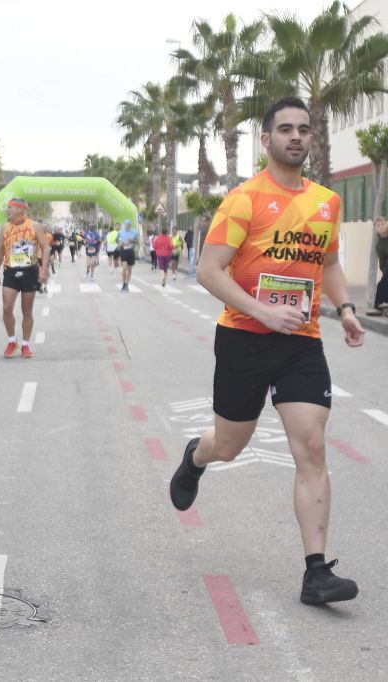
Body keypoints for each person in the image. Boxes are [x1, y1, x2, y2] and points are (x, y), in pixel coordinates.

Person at [169, 97, 365, 605]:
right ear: (267, 139)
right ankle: (197, 456)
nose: (296, 136)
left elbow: (328, 262)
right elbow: (210, 270)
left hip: (300, 342)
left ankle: (316, 572)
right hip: (245, 339)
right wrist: (261, 311)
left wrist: (344, 308)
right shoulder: (245, 200)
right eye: (285, 129)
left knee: (312, 446)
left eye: (303, 129)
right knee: (230, 445)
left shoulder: (327, 201)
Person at [0, 197, 51, 358]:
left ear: (20, 209)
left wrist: (43, 270)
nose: (7, 210)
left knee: (27, 310)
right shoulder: (5, 228)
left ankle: (25, 344)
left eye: (10, 207)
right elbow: (0, 250)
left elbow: (46, 248)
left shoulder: (34, 226)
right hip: (10, 271)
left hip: (29, 271)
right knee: (6, 308)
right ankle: (12, 341)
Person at [370, 216, 388, 314]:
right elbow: (382, 262)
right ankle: (379, 307)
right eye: (378, 225)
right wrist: (385, 273)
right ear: (375, 229)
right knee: (382, 284)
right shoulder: (379, 245)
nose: (381, 227)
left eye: (383, 224)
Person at [116, 219, 139, 292]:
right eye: (126, 225)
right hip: (123, 251)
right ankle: (124, 283)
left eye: (129, 225)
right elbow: (116, 240)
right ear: (124, 225)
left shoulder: (134, 232)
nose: (128, 226)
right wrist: (119, 243)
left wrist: (132, 240)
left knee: (130, 269)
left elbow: (137, 241)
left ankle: (127, 284)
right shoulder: (120, 232)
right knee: (124, 268)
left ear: (130, 225)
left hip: (131, 252)